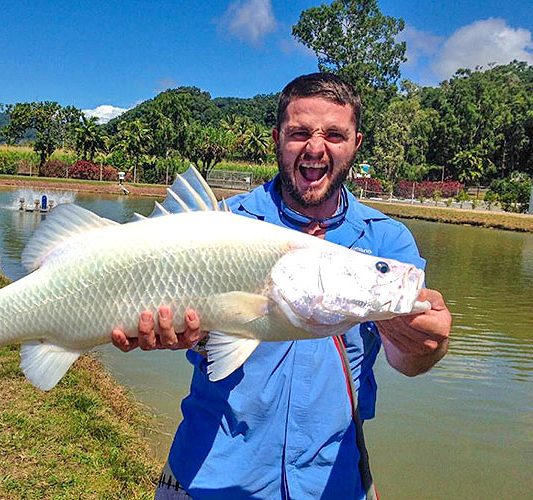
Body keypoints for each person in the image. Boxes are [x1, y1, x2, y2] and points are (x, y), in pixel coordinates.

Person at [111, 73, 451, 500]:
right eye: (299, 133)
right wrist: (173, 334)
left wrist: (426, 345)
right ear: (277, 139)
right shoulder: (219, 224)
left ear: (356, 144)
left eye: (334, 134)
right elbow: (184, 326)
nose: (315, 148)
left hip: (333, 483)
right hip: (209, 475)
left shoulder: (388, 244)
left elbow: (408, 360)